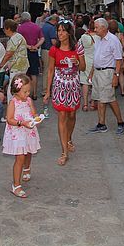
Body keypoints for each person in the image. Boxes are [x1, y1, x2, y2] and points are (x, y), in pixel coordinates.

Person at [43, 19, 85, 166]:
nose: (60, 33)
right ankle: (64, 152)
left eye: (63, 31)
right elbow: (50, 71)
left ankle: (68, 138)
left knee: (72, 115)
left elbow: (83, 68)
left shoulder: (77, 48)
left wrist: (77, 62)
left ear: (69, 33)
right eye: (58, 31)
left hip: (73, 85)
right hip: (59, 85)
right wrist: (47, 91)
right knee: (62, 116)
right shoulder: (54, 49)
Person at [2, 73, 41, 198]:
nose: (28, 94)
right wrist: (22, 123)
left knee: (28, 152)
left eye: (29, 91)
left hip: (28, 131)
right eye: (25, 91)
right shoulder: (13, 102)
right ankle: (16, 185)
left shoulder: (28, 100)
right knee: (20, 157)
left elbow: (33, 112)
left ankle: (27, 168)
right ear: (16, 90)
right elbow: (9, 119)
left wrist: (37, 118)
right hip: (17, 132)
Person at [87, 18, 124, 135]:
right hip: (98, 72)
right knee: (100, 99)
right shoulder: (98, 40)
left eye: (96, 27)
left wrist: (116, 75)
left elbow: (118, 59)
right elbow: (96, 57)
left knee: (110, 99)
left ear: (104, 28)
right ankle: (101, 124)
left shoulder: (113, 40)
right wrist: (92, 72)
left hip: (107, 72)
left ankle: (120, 122)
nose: (95, 30)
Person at [0, 19, 30, 99]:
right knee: (19, 86)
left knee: (12, 88)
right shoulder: (19, 36)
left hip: (17, 66)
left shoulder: (13, 39)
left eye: (4, 29)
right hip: (22, 65)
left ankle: (12, 104)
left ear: (8, 29)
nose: (4, 31)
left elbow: (8, 54)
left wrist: (0, 67)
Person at [17, 12, 44, 99]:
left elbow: (19, 41)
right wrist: (36, 46)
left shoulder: (20, 28)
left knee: (24, 73)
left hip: (24, 52)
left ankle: (25, 93)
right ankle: (34, 94)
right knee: (34, 73)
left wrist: (28, 46)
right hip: (34, 52)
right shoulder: (37, 27)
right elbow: (42, 38)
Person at [77, 16, 99, 112]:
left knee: (85, 83)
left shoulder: (84, 36)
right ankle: (93, 103)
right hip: (96, 61)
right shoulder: (99, 37)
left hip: (85, 60)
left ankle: (85, 104)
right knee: (94, 83)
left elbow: (78, 47)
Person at [108, 20, 124, 95]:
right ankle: (122, 90)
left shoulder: (108, 36)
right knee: (120, 73)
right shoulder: (120, 35)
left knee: (112, 73)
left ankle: (112, 91)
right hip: (119, 55)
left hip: (111, 57)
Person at [40, 14, 59, 85]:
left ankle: (45, 88)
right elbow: (53, 41)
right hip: (49, 51)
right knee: (49, 70)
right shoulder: (51, 28)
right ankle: (46, 88)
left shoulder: (44, 26)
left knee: (46, 70)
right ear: (55, 21)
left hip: (43, 50)